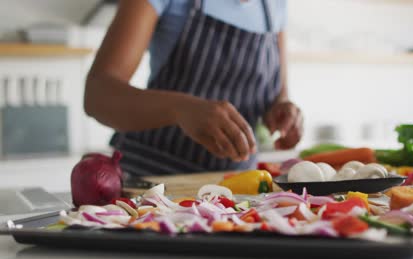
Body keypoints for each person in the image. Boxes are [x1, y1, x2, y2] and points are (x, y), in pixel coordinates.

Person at [84, 0, 303, 176]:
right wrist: (180, 108)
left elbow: (279, 95)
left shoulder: (275, 5)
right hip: (149, 186)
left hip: (233, 196)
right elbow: (97, 93)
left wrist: (283, 110)